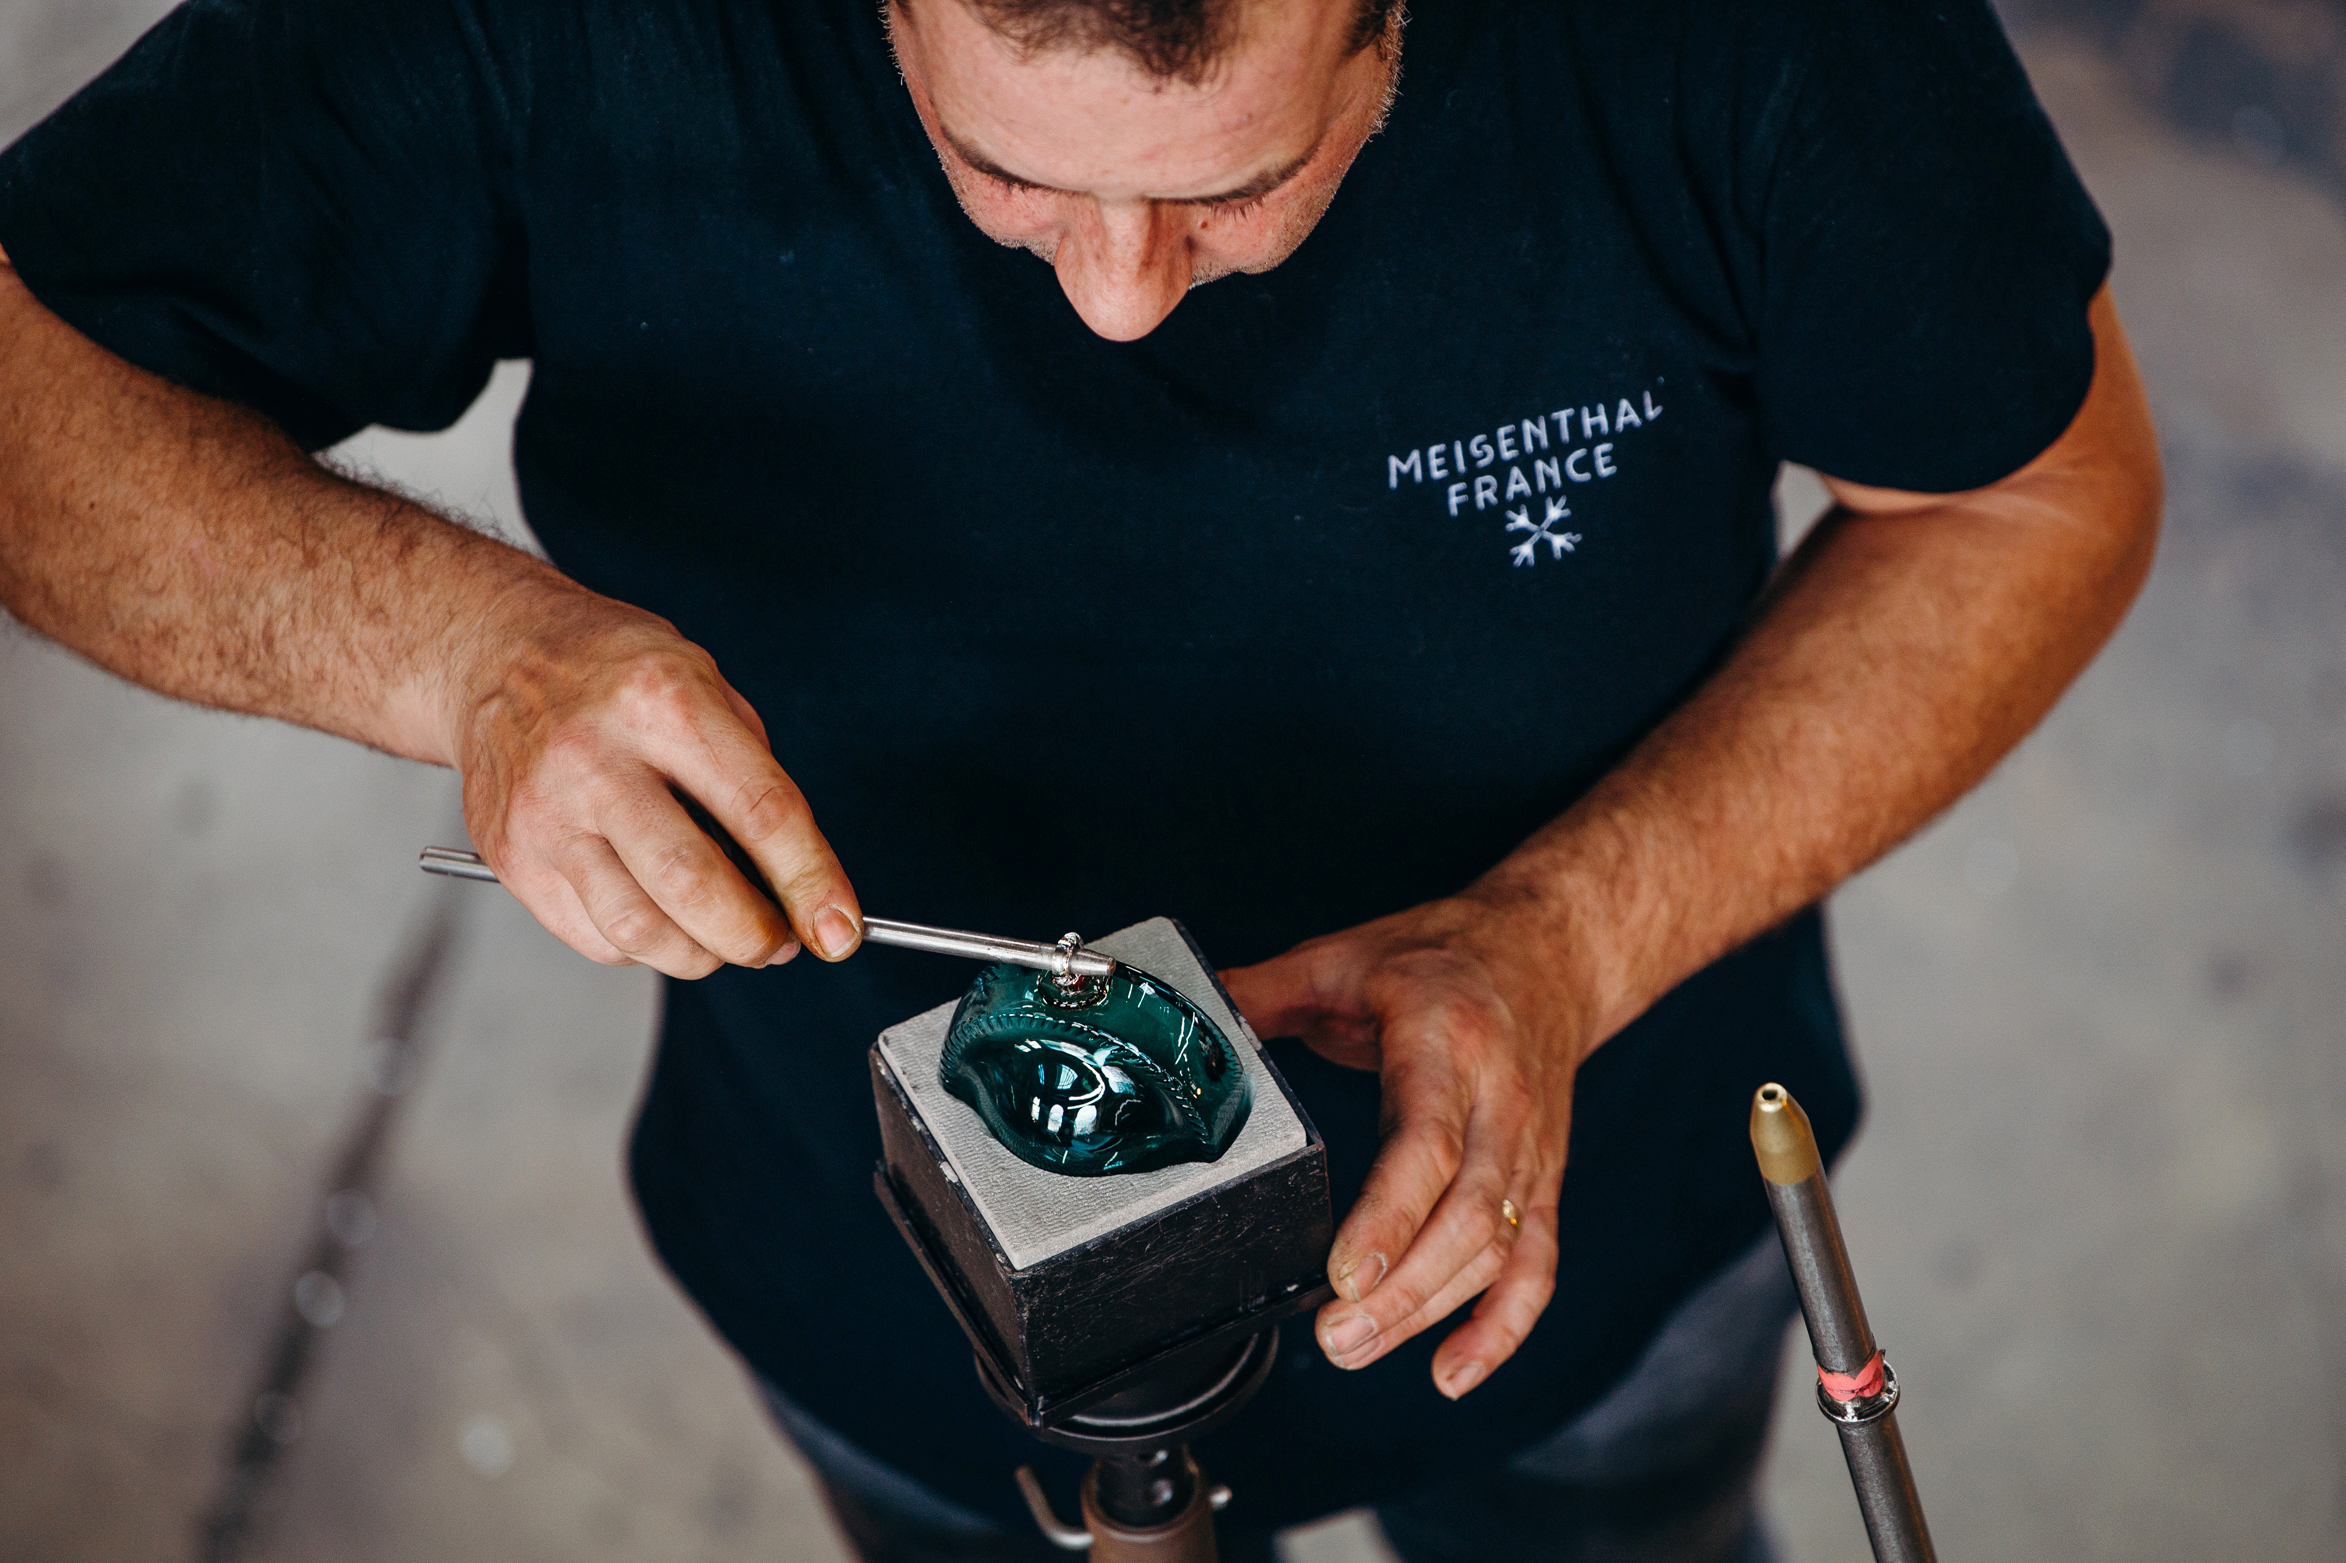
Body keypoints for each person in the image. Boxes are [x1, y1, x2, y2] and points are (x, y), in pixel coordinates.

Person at [0, 0, 2159, 1555]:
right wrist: (460, 657)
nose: (1122, 299)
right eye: (1009, 172)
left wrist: (1572, 933)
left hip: (1593, 1203)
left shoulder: (1750, 45)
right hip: (905, 1293)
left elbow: (2031, 505)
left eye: (1236, 184)